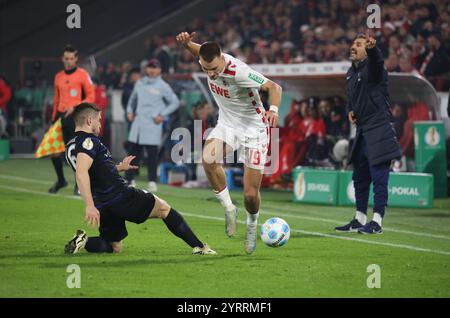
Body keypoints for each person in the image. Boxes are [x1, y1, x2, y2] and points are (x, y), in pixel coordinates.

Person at [176, 32, 282, 254]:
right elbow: (200, 50)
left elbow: (274, 87)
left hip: (254, 130)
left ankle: (252, 225)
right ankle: (229, 209)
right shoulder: (208, 58)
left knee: (250, 195)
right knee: (207, 159)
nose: (211, 74)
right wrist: (187, 44)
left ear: (222, 58)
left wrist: (273, 110)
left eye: (214, 69)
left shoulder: (239, 72)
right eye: (206, 70)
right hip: (228, 125)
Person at [64, 102, 215, 255]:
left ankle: (84, 241)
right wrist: (89, 205)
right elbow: (82, 173)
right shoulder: (88, 142)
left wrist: (117, 168)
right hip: (119, 196)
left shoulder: (71, 145)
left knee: (114, 247)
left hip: (103, 202)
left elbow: (93, 170)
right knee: (164, 208)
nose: (100, 124)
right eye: (99, 120)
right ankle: (200, 247)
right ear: (89, 121)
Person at [335, 31, 401, 235]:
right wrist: (350, 111)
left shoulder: (374, 69)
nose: (353, 47)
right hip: (362, 131)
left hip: (379, 129)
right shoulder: (351, 73)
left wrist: (373, 50)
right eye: (353, 43)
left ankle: (377, 221)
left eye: (359, 44)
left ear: (367, 50)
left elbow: (377, 62)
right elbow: (351, 98)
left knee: (379, 177)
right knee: (360, 177)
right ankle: (359, 218)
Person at [126, 59, 179, 192]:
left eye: (155, 67)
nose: (152, 70)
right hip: (138, 123)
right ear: (146, 69)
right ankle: (129, 179)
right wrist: (129, 111)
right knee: (133, 153)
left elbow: (175, 102)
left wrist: (162, 114)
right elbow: (132, 100)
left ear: (159, 70)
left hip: (152, 124)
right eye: (150, 67)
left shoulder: (163, 85)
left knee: (152, 155)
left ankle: (151, 181)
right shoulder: (140, 83)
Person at [49, 44, 95, 194]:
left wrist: (75, 106)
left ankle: (79, 184)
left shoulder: (83, 75)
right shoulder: (58, 76)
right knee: (54, 151)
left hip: (77, 118)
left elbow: (91, 96)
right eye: (66, 58)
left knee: (76, 152)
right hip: (60, 117)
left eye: (71, 58)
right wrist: (53, 118)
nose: (68, 61)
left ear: (76, 59)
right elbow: (56, 99)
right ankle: (61, 180)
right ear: (63, 59)